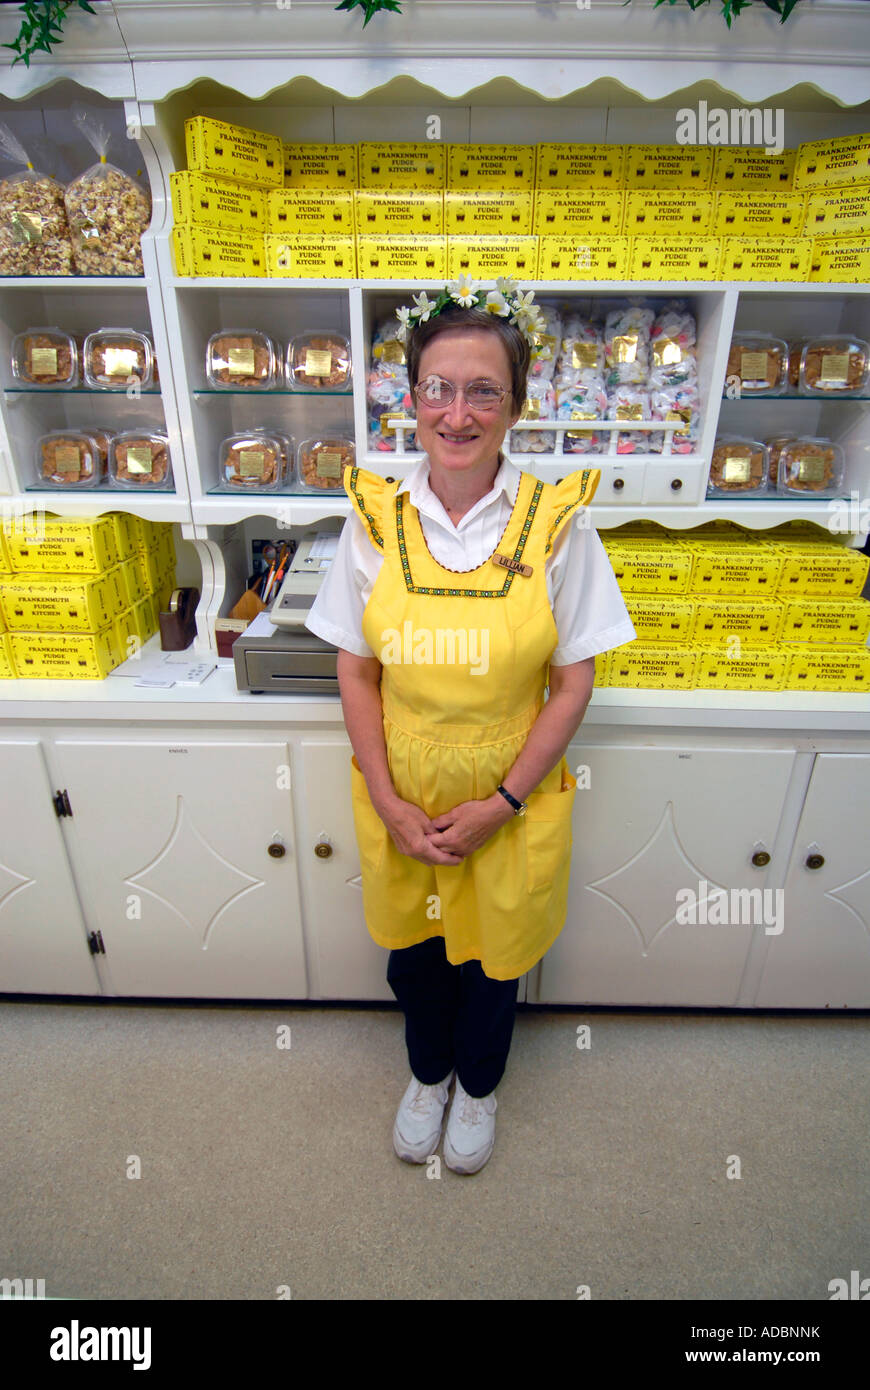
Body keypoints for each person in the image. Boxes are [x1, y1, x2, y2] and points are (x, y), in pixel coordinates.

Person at [306, 277, 636, 1175]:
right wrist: (384, 793)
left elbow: (572, 685)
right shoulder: (375, 517)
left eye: (484, 389)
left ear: (517, 404)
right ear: (410, 398)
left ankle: (478, 1089)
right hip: (399, 785)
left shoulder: (559, 526)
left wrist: (502, 799)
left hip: (511, 791)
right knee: (415, 957)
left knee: (496, 963)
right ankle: (427, 1075)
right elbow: (355, 667)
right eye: (439, 389)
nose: (458, 413)